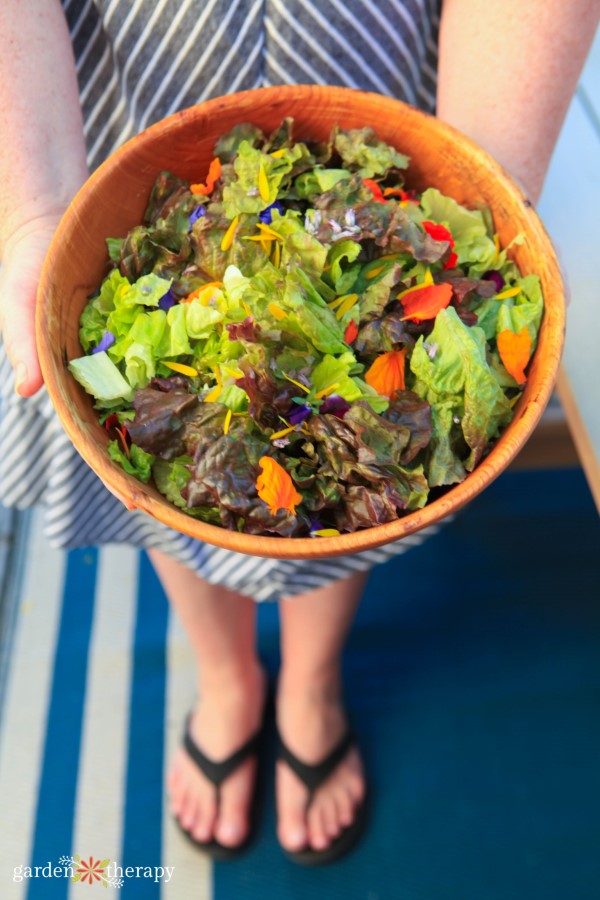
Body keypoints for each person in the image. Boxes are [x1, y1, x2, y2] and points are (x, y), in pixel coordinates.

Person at [0, 0, 597, 864]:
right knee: (165, 467)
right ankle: (227, 678)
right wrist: (32, 216)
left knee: (348, 494)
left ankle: (310, 683)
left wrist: (486, 188)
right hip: (110, 102)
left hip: (387, 83)